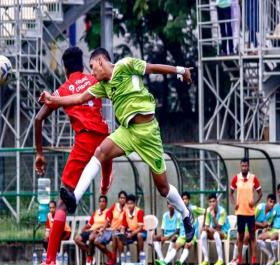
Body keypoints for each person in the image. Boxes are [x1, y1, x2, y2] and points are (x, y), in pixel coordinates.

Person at [39, 48, 195, 243]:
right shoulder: (102, 86)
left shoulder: (125, 65)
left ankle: (186, 214)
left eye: (93, 67)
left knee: (163, 189)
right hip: (127, 131)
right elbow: (78, 98)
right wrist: (53, 100)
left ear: (101, 61)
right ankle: (74, 198)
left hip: (148, 133)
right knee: (100, 152)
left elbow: (153, 68)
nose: (92, 72)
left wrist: (181, 70)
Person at [29, 47, 113, 265]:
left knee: (62, 202)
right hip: (106, 138)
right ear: (84, 65)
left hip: (85, 141)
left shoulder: (63, 89)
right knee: (106, 167)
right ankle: (105, 182)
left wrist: (39, 154)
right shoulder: (93, 78)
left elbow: (38, 119)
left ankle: (49, 262)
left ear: (65, 68)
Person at [155, 192, 205, 265]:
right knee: (176, 246)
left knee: (187, 245)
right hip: (182, 235)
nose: (184, 200)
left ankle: (180, 262)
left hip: (192, 235)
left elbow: (205, 212)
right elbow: (179, 226)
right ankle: (165, 262)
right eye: (183, 199)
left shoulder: (193, 209)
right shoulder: (179, 211)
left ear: (189, 200)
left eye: (186, 199)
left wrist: (204, 224)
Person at [230, 157, 262, 265]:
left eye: (246, 166)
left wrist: (255, 202)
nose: (244, 167)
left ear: (248, 166)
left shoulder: (253, 178)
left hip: (250, 213)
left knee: (252, 237)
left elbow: (260, 193)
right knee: (240, 237)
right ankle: (239, 261)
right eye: (242, 166)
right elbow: (230, 192)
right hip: (240, 212)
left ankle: (254, 261)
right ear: (240, 166)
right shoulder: (236, 178)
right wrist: (235, 203)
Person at [74, 195, 115, 265]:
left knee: (91, 238)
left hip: (100, 231)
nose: (102, 203)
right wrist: (83, 228)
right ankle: (90, 252)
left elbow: (107, 223)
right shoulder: (96, 212)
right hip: (91, 230)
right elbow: (89, 224)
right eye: (100, 202)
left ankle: (89, 256)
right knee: (77, 239)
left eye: (103, 202)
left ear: (106, 203)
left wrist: (99, 229)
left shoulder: (108, 212)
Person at [199, 194, 230, 265]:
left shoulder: (222, 211)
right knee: (203, 234)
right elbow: (206, 225)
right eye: (210, 202)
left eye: (213, 201)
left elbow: (219, 227)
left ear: (217, 201)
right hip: (214, 231)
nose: (212, 203)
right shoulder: (208, 210)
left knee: (216, 234)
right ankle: (206, 260)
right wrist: (207, 228)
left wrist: (213, 217)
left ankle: (220, 260)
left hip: (224, 233)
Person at [120, 194, 146, 262]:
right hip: (131, 233)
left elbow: (140, 228)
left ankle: (141, 256)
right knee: (119, 236)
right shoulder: (125, 212)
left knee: (139, 235)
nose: (129, 205)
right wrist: (122, 233)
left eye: (131, 203)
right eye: (128, 204)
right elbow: (123, 227)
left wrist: (131, 234)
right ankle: (122, 258)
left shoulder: (139, 212)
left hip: (142, 232)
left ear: (134, 204)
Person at [255, 194, 277, 265]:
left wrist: (266, 228)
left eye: (273, 202)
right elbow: (251, 220)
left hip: (260, 230)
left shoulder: (273, 212)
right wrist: (262, 225)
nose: (272, 204)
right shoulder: (260, 207)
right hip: (251, 227)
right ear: (267, 201)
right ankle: (235, 259)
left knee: (259, 239)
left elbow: (268, 225)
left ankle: (271, 256)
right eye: (270, 201)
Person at [108, 191, 127, 264]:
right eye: (121, 198)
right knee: (114, 235)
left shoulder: (127, 208)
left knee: (117, 236)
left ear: (126, 199)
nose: (122, 199)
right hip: (112, 230)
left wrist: (121, 228)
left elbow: (127, 222)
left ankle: (119, 258)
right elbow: (108, 217)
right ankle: (115, 258)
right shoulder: (114, 206)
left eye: (124, 198)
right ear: (118, 199)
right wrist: (103, 228)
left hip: (122, 230)